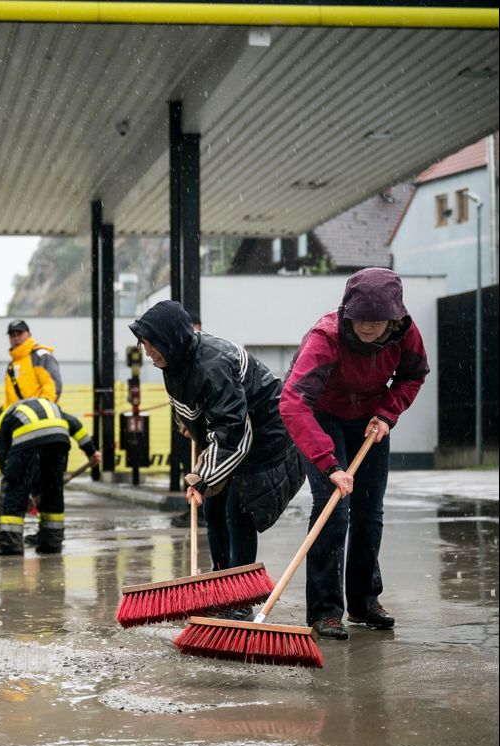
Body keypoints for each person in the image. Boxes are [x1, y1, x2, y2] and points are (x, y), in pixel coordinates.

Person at [130, 300, 305, 620]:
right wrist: (187, 426)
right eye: (145, 345)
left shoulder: (213, 365)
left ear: (170, 339)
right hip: (231, 434)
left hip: (267, 435)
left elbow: (233, 433)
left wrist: (203, 477)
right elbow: (186, 405)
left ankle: (240, 597)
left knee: (238, 509)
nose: (147, 353)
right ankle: (220, 586)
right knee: (212, 506)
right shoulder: (174, 361)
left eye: (152, 345)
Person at [279, 267, 429, 640]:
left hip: (370, 421)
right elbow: (294, 403)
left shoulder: (405, 334)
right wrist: (329, 464)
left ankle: (363, 601)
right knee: (334, 509)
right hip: (323, 417)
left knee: (369, 512)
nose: (367, 327)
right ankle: (325, 611)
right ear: (348, 311)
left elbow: (414, 374)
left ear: (393, 317)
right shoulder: (326, 337)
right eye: (360, 319)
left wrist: (387, 412)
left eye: (377, 321)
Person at [0, 397, 100, 556]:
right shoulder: (45, 406)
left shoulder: (1, 420)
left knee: (15, 486)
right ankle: (51, 542)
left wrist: (21, 494)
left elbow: (6, 465)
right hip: (58, 439)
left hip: (28, 437)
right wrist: (91, 451)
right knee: (52, 490)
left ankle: (11, 545)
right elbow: (75, 424)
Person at [171, 313, 206, 529]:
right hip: (188, 430)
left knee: (205, 470)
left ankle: (202, 511)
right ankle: (193, 508)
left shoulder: (206, 359)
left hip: (205, 433)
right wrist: (185, 426)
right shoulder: (177, 362)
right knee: (190, 469)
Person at [4, 319, 62, 404]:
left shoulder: (40, 356)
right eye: (12, 335)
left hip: (42, 415)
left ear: (29, 335)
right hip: (19, 416)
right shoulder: (11, 366)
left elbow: (53, 388)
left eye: (19, 334)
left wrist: (39, 410)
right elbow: (9, 399)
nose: (16, 338)